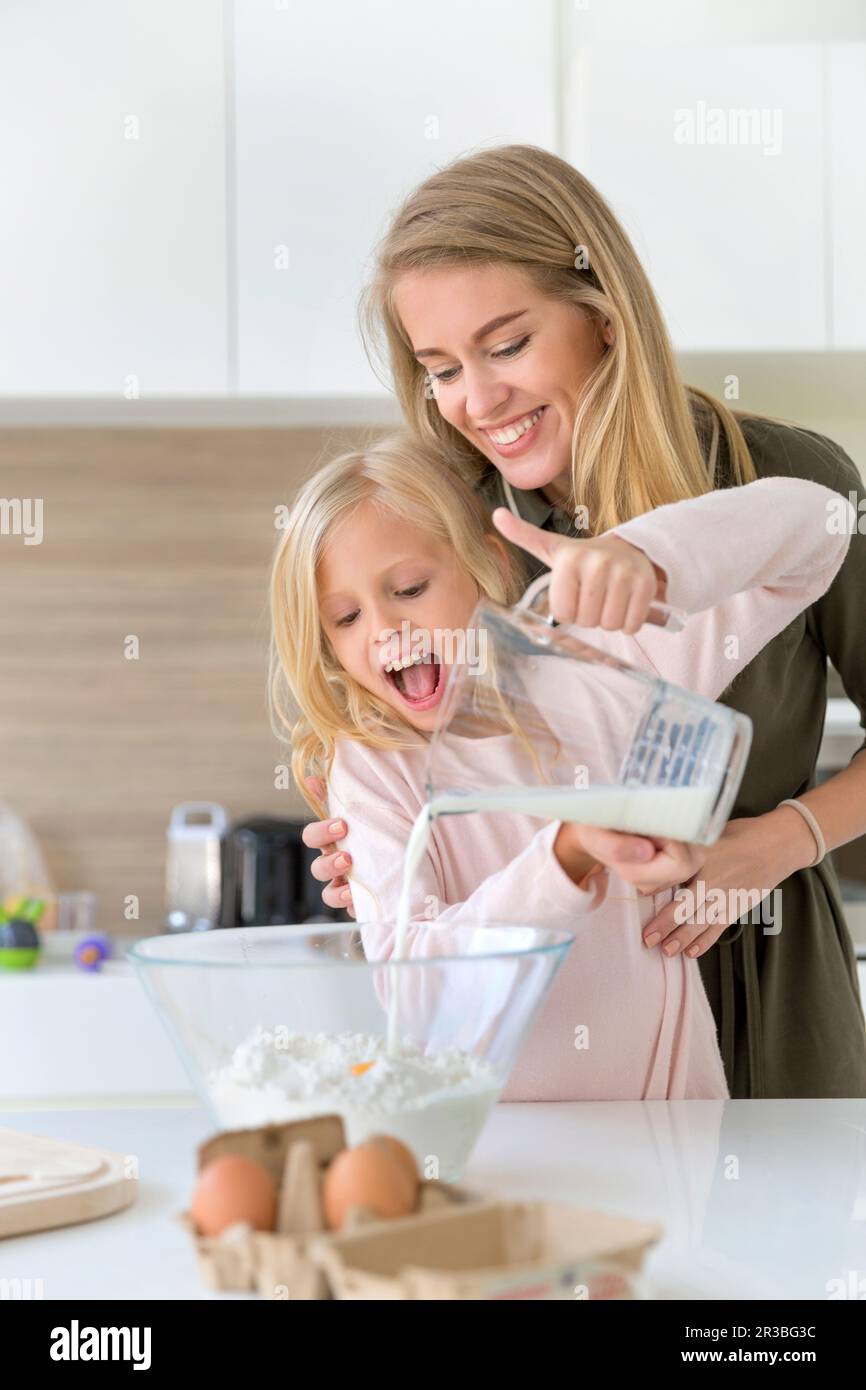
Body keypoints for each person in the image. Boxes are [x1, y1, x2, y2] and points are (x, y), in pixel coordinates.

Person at [303, 145, 866, 1099]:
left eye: (508, 345)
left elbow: (810, 526)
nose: (479, 403)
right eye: (441, 368)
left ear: (602, 317)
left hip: (766, 978)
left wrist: (778, 842)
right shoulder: (450, 530)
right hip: (562, 1013)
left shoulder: (780, 477)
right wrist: (384, 844)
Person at [270, 431, 850, 1099]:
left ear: (485, 565)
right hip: (503, 1153)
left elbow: (820, 526)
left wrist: (649, 558)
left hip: (674, 1142)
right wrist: (566, 856)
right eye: (344, 618)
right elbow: (423, 1004)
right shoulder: (372, 770)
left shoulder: (589, 667)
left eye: (409, 588)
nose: (383, 629)